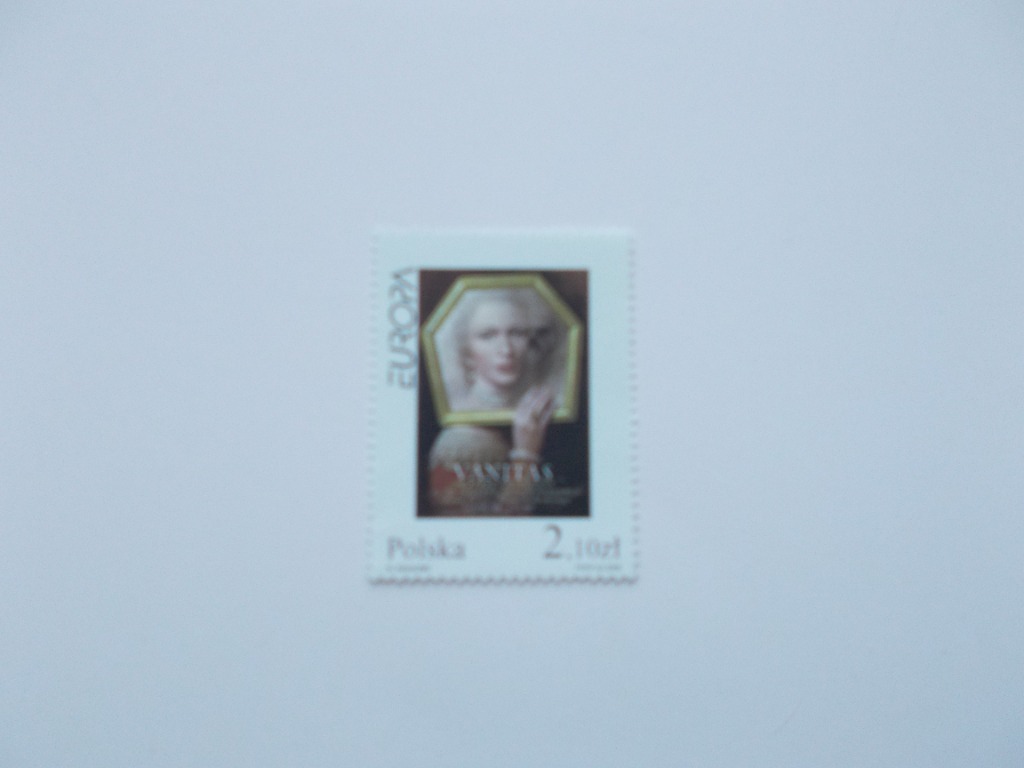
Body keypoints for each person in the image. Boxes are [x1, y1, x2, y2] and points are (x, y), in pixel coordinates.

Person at [427, 290, 558, 516]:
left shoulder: (533, 413)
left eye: (516, 333)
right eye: (488, 335)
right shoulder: (460, 444)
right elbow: (485, 532)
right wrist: (525, 455)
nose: (506, 349)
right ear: (467, 351)